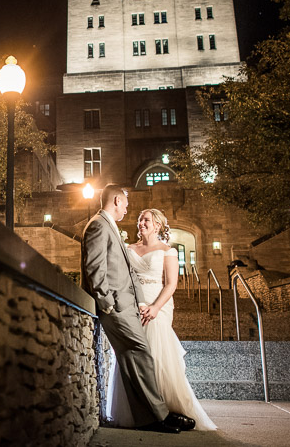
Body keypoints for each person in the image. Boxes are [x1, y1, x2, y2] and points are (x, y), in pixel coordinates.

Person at [81, 185, 194, 434]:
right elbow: (95, 266)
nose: (128, 210)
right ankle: (160, 416)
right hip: (116, 306)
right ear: (117, 200)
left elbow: (130, 273)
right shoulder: (99, 225)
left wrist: (143, 303)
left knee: (133, 356)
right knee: (140, 350)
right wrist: (107, 303)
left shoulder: (108, 225)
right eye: (126, 204)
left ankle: (148, 417)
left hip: (133, 304)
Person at [108, 208, 217, 431]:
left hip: (158, 305)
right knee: (134, 356)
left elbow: (171, 283)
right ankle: (139, 410)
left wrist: (155, 307)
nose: (141, 223)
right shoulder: (128, 249)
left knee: (157, 355)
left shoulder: (168, 251)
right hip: (132, 306)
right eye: (139, 219)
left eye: (146, 220)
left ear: (157, 225)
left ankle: (168, 409)